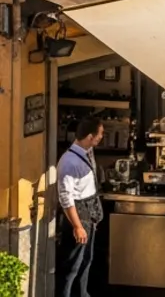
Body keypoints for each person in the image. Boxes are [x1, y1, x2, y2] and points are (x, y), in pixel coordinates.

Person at [58, 117, 104, 297]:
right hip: (79, 213)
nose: (102, 137)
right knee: (72, 265)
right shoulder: (69, 162)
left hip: (90, 211)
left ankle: (81, 294)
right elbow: (66, 198)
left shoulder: (87, 151)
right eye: (100, 134)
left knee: (86, 259)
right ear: (90, 137)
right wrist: (77, 226)